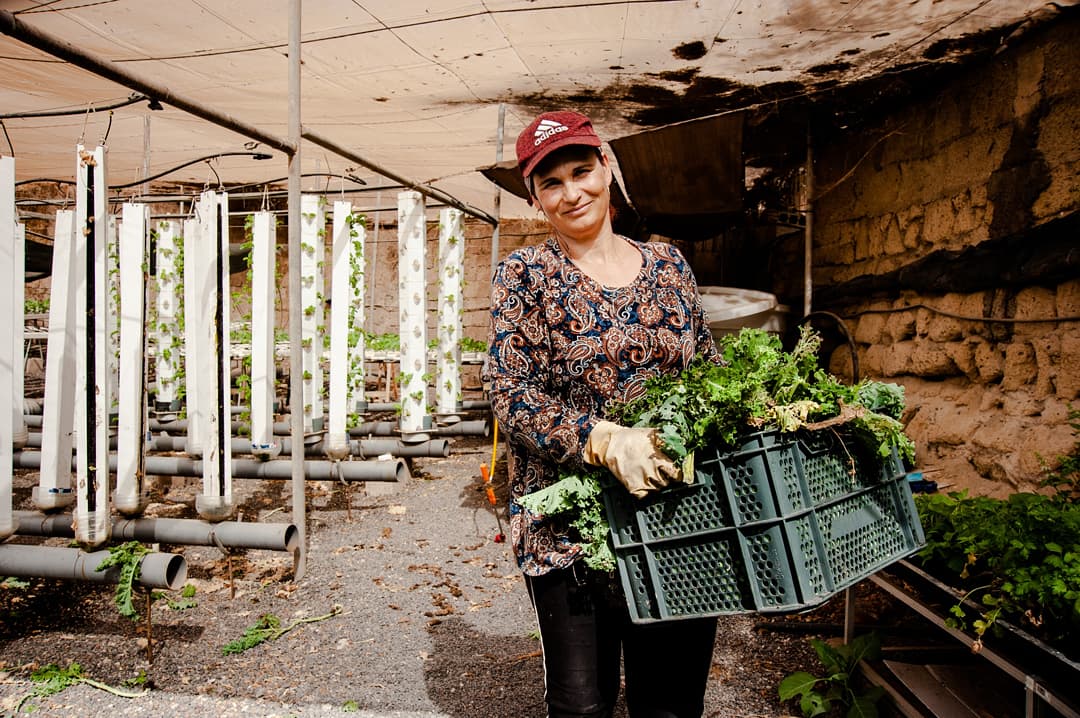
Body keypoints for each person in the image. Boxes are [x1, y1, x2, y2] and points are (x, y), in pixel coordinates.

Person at [484, 109, 720, 718]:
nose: (572, 193)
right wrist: (602, 439)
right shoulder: (525, 275)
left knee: (669, 703)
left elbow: (711, 371)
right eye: (551, 184)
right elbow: (506, 387)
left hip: (676, 517)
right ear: (537, 200)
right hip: (569, 525)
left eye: (581, 171)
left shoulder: (671, 268)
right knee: (581, 705)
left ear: (607, 167)